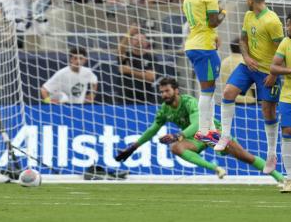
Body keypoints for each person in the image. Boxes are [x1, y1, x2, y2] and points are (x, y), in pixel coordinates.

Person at [115, 78, 284, 184]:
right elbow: (153, 129)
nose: (164, 95)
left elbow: (197, 124)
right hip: (196, 139)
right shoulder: (164, 110)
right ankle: (215, 168)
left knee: (245, 157)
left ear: (176, 91)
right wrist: (133, 147)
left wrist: (178, 135)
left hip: (211, 132)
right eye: (161, 92)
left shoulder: (190, 102)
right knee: (175, 147)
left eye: (167, 91)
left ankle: (280, 178)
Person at [215, 0, 283, 176]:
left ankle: (271, 154)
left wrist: (274, 74)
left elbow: (283, 49)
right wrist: (246, 57)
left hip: (267, 72)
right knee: (228, 93)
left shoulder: (272, 21)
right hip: (248, 67)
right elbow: (243, 41)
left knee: (268, 111)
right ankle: (226, 136)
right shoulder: (248, 16)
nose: (246, 1)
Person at [182, 0, 224, 140]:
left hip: (193, 44)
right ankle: (203, 130)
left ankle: (211, 128)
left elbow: (204, 23)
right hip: (204, 47)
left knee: (209, 90)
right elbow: (213, 22)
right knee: (207, 91)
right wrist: (224, 13)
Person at [271, 14, 291, 192]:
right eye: (287, 25)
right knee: (287, 131)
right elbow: (274, 67)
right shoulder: (285, 42)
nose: (288, 28)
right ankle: (289, 178)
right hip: (288, 95)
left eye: (290, 25)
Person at [118, 25, 157, 104]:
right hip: (126, 97)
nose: (139, 41)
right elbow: (121, 49)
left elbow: (150, 77)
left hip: (145, 98)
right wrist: (129, 32)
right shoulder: (127, 56)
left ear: (146, 43)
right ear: (131, 42)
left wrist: (130, 71)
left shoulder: (151, 58)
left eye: (142, 39)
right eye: (136, 39)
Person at [220, 39, 255, 104]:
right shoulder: (247, 62)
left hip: (228, 100)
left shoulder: (223, 62)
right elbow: (254, 85)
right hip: (247, 102)